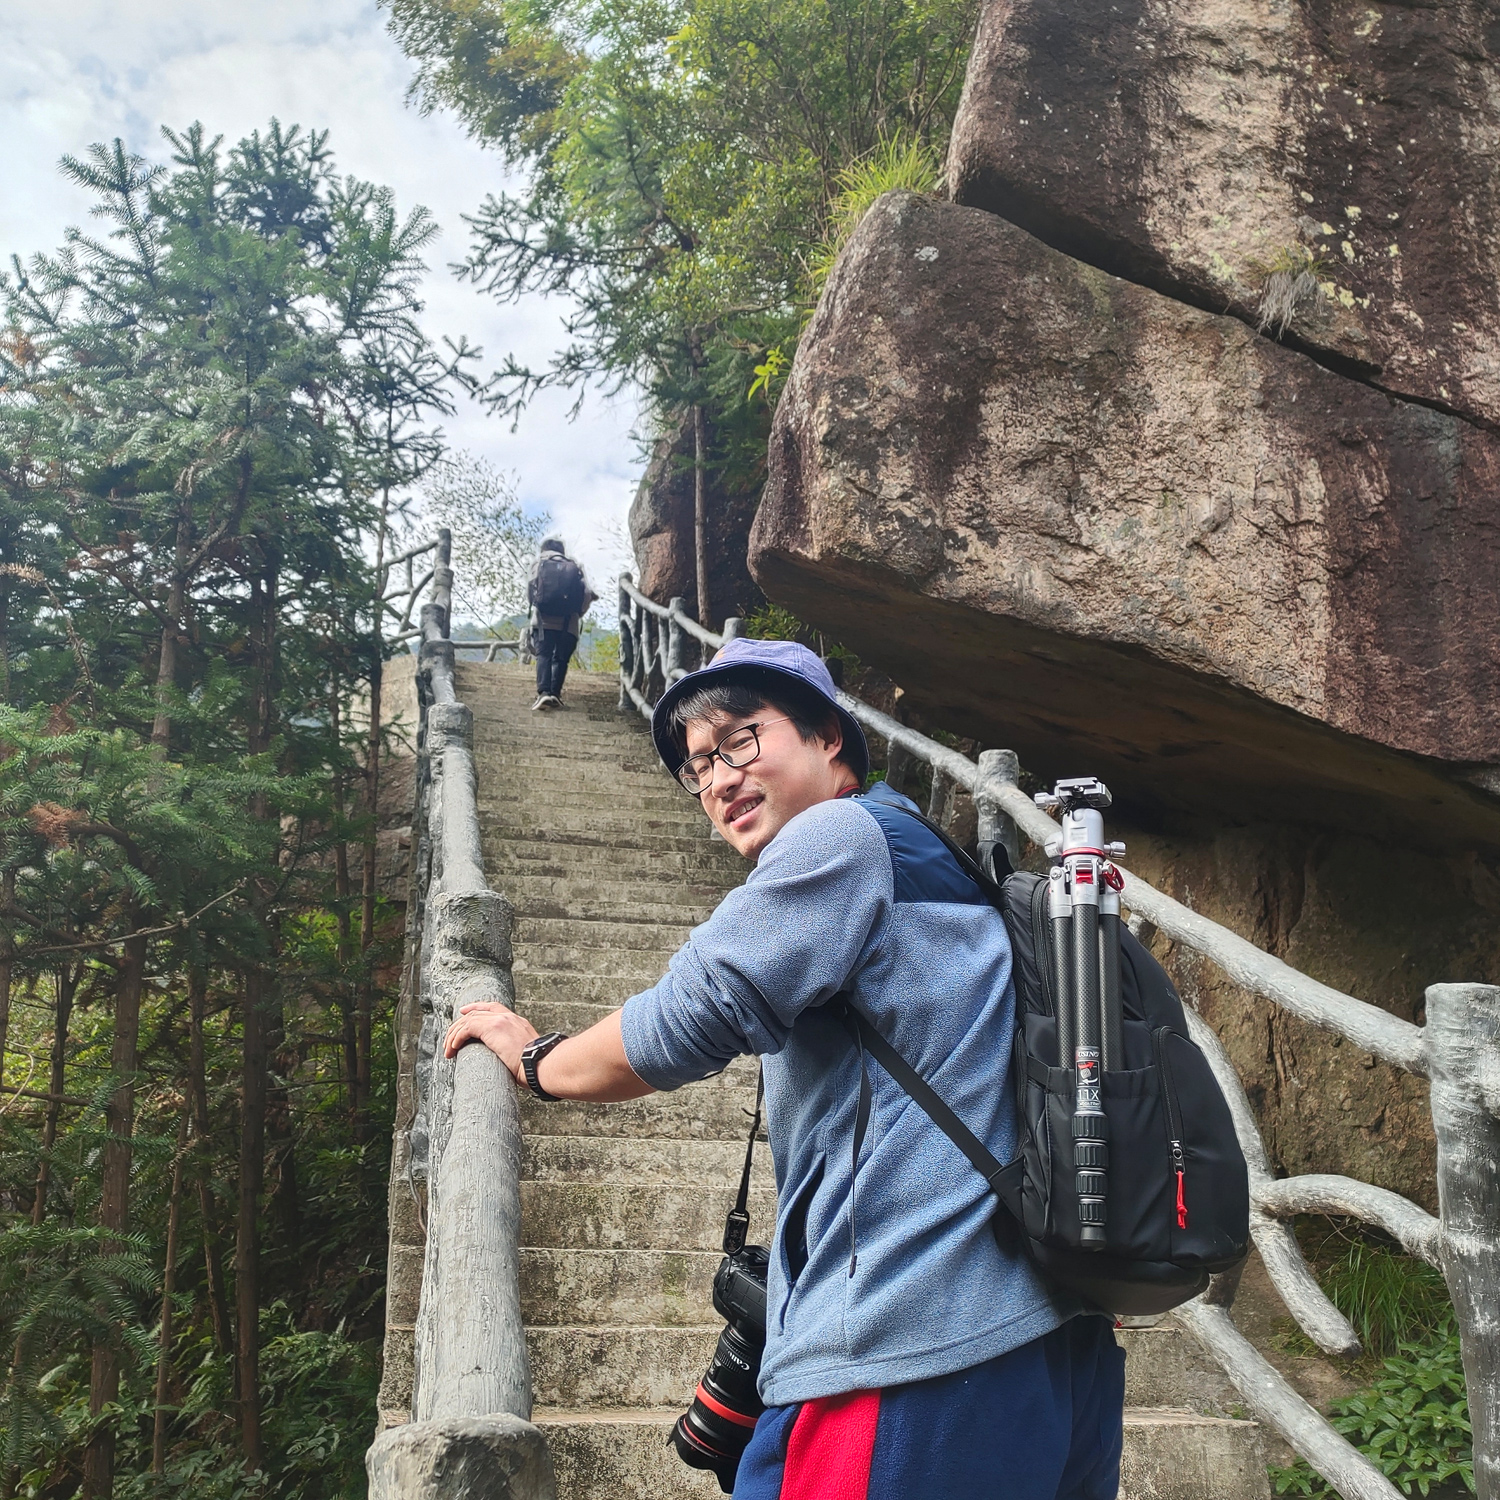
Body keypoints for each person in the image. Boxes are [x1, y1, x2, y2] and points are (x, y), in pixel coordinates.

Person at [443, 637, 1126, 1499]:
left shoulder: (841, 837)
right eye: (699, 767)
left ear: (829, 737)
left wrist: (534, 1058)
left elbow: (678, 1026)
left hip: (914, 1356)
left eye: (740, 740)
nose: (719, 778)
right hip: (1056, 1352)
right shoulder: (938, 863)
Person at [526, 537, 595, 710]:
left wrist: (537, 606)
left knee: (544, 655)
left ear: (544, 550)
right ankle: (555, 694)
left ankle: (543, 693)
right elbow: (586, 593)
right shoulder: (575, 567)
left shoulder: (538, 563)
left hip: (543, 621)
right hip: (569, 623)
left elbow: (531, 589)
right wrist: (578, 613)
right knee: (561, 659)